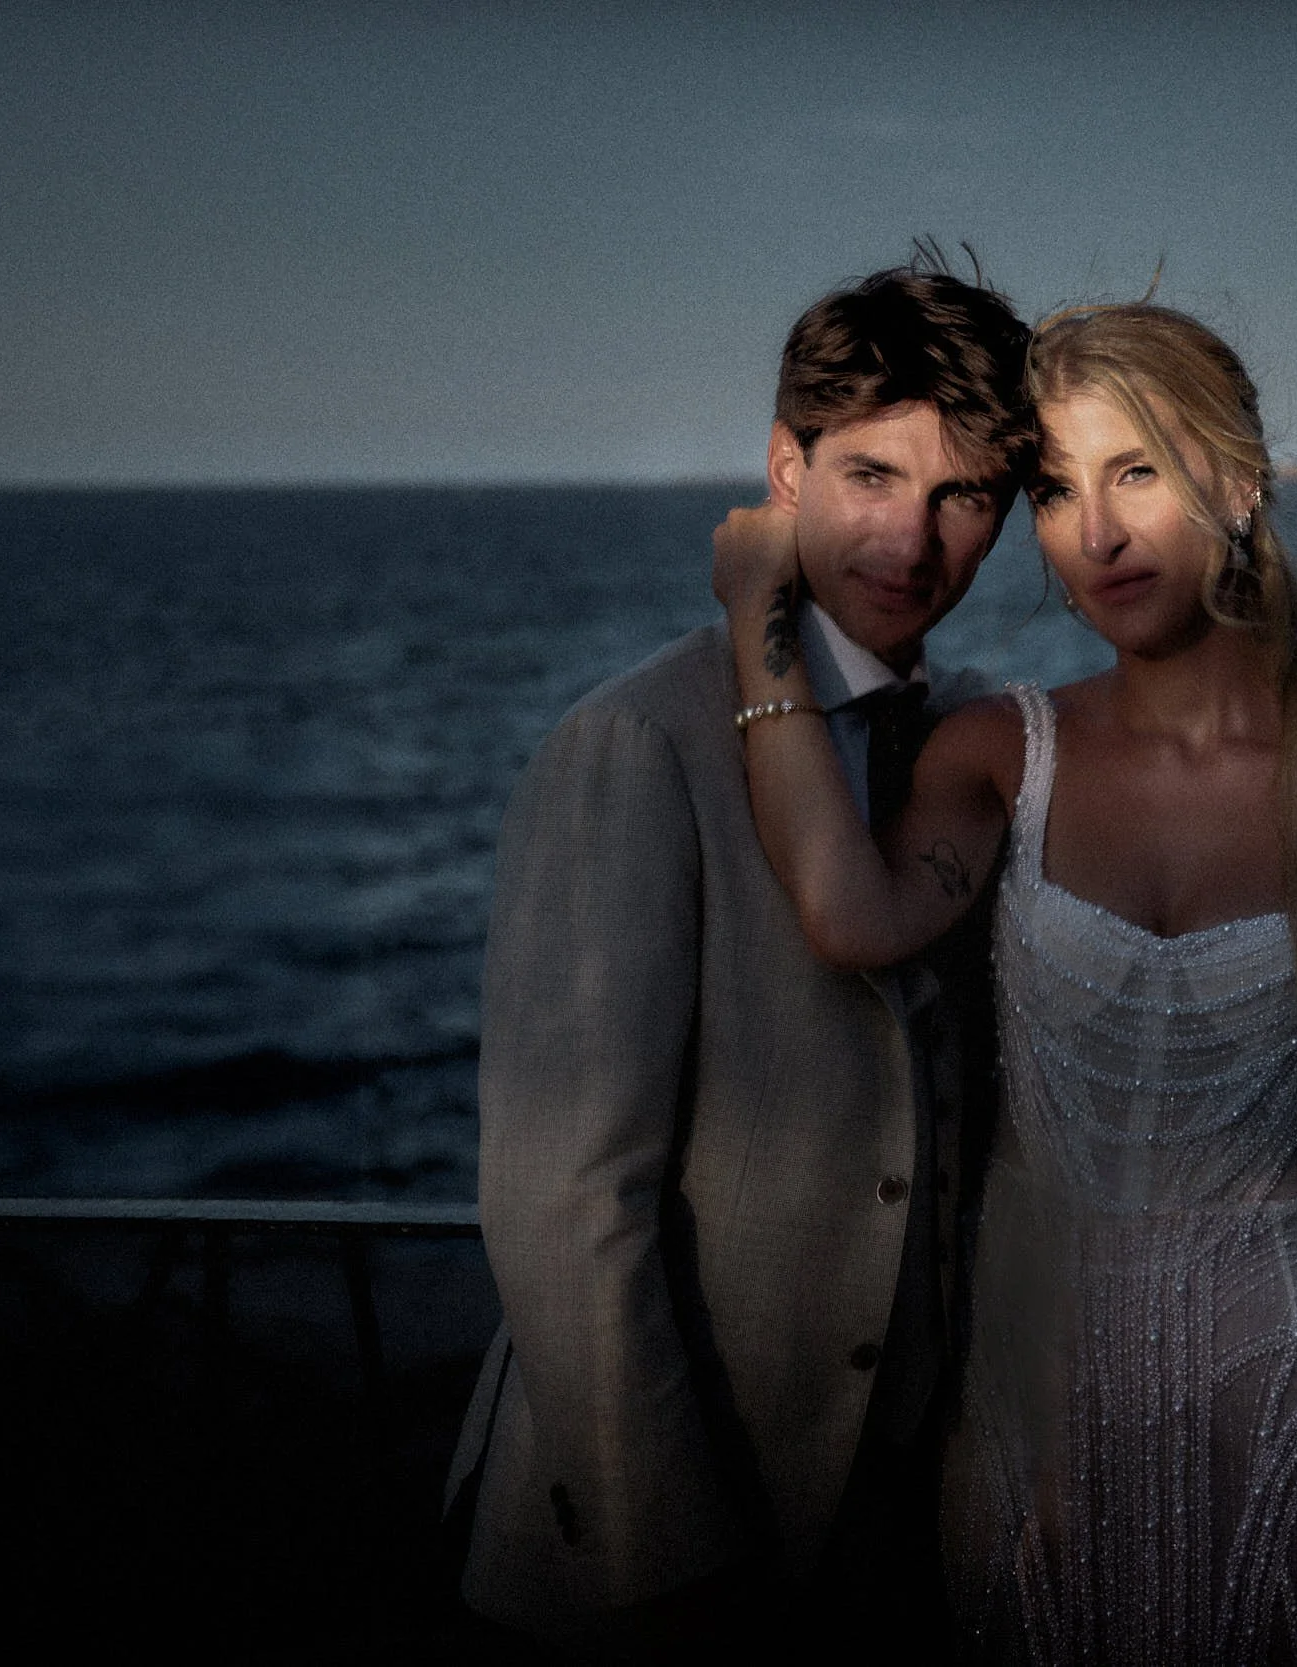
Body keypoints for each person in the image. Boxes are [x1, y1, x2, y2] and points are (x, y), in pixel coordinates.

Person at [713, 301, 1297, 1664]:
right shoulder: (999, 756)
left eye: (1136, 470)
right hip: (1033, 1426)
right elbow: (848, 911)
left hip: (1286, 1408)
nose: (1097, 533)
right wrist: (757, 618)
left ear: (1238, 481)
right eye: (1055, 490)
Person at [442, 255, 1038, 1658]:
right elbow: (568, 1197)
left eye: (966, 496)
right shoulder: (638, 745)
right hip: (647, 1571)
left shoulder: (969, 755)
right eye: (875, 477)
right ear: (785, 466)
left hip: (891, 1560)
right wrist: (669, 1575)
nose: (915, 539)